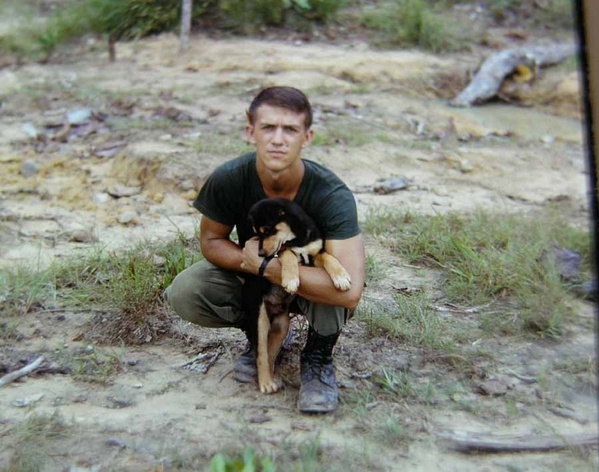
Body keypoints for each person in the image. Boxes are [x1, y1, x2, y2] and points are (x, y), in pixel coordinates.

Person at [165, 86, 365, 413]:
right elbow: (211, 241)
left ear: (308, 137)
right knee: (186, 290)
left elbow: (351, 292)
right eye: (268, 128)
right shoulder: (229, 178)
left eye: (290, 130)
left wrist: (268, 267)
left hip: (306, 279)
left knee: (336, 281)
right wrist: (253, 267)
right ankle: (259, 335)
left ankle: (318, 355)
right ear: (251, 132)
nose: (277, 139)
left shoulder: (331, 194)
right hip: (258, 284)